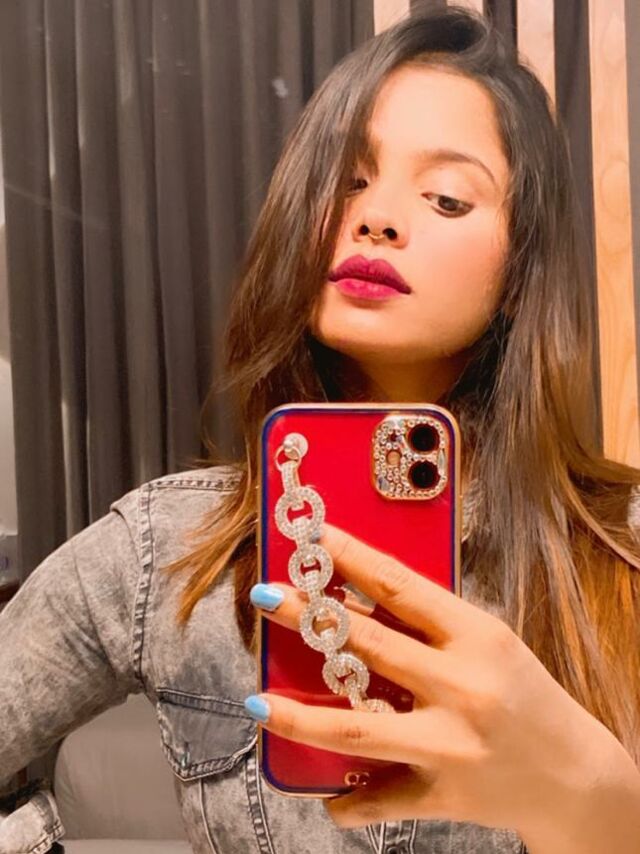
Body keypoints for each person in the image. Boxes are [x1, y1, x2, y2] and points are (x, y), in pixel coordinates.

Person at [2, 4, 640, 853]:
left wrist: (598, 804)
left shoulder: (621, 553)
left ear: (520, 272)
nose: (378, 218)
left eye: (447, 197)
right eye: (346, 180)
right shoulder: (165, 549)